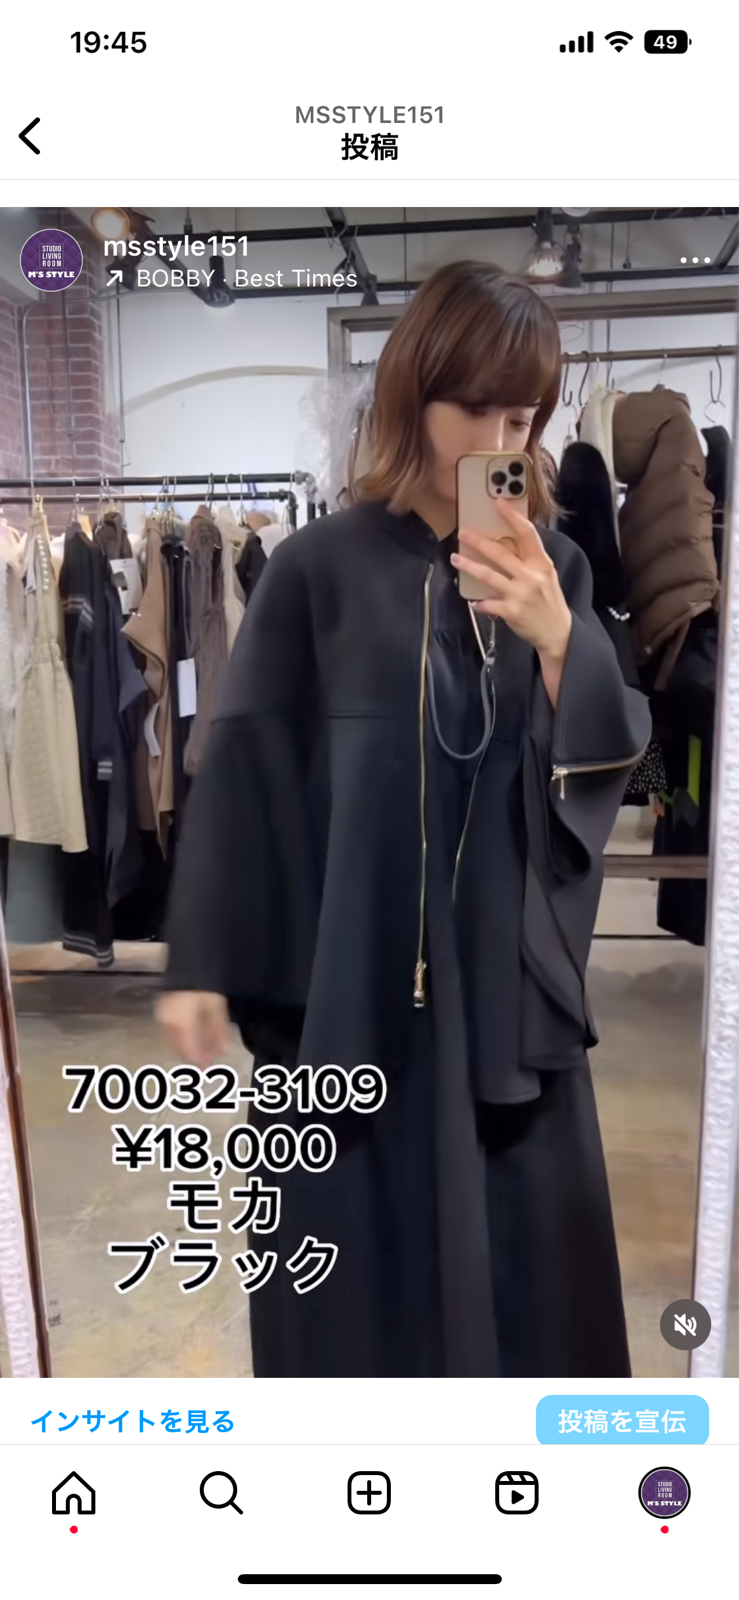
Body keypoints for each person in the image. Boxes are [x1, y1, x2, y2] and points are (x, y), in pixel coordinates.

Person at [157, 262, 651, 1379]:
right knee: (352, 1272)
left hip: (501, 988)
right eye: (474, 408)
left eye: (521, 417)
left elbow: (612, 751)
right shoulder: (314, 571)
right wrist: (203, 963)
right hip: (354, 974)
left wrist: (558, 642)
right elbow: (243, 768)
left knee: (524, 1279)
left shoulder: (556, 568)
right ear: (411, 394)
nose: (499, 440)